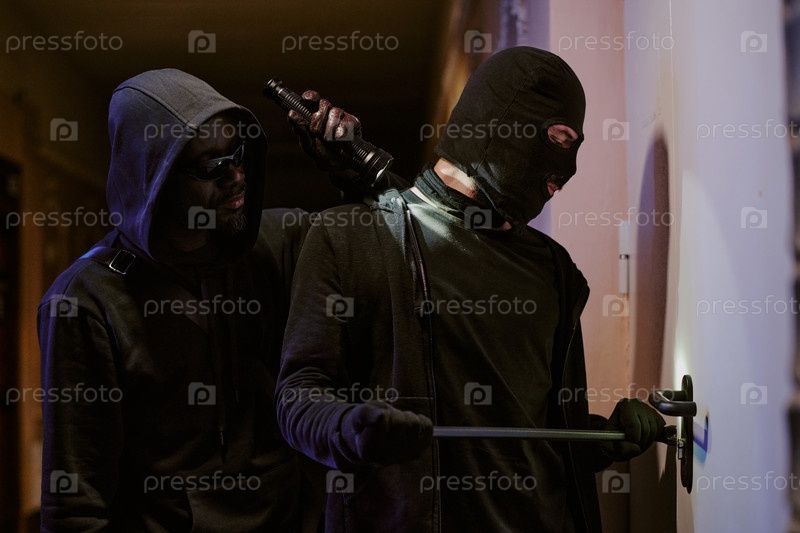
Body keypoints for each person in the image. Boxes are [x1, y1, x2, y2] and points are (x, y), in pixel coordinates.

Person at [276, 46, 666, 532]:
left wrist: (603, 438)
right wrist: (348, 428)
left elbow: (529, 433)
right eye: (558, 138)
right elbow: (297, 399)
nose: (566, 171)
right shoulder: (350, 238)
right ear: (498, 123)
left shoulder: (553, 272)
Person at [37, 68, 321, 531]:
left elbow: (395, 267)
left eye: (237, 153)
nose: (236, 176)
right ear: (154, 178)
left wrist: (358, 176)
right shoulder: (84, 303)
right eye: (209, 166)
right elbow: (75, 504)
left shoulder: (279, 244)